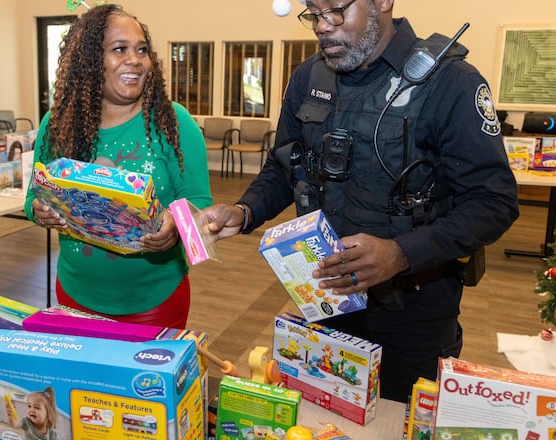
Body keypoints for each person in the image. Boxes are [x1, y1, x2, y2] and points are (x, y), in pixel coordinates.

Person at [202, 0, 519, 402]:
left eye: (335, 11)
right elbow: (284, 168)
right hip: (326, 299)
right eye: (313, 15)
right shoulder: (309, 77)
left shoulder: (450, 82)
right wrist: (245, 210)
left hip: (414, 315)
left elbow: (493, 202)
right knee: (323, 417)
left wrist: (400, 254)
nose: (321, 26)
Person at [24, 4, 211, 329]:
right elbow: (31, 200)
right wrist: (41, 211)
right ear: (90, 61)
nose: (135, 59)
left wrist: (176, 228)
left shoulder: (173, 123)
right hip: (74, 294)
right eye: (119, 49)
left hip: (155, 300)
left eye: (142, 50)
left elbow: (202, 208)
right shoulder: (57, 125)